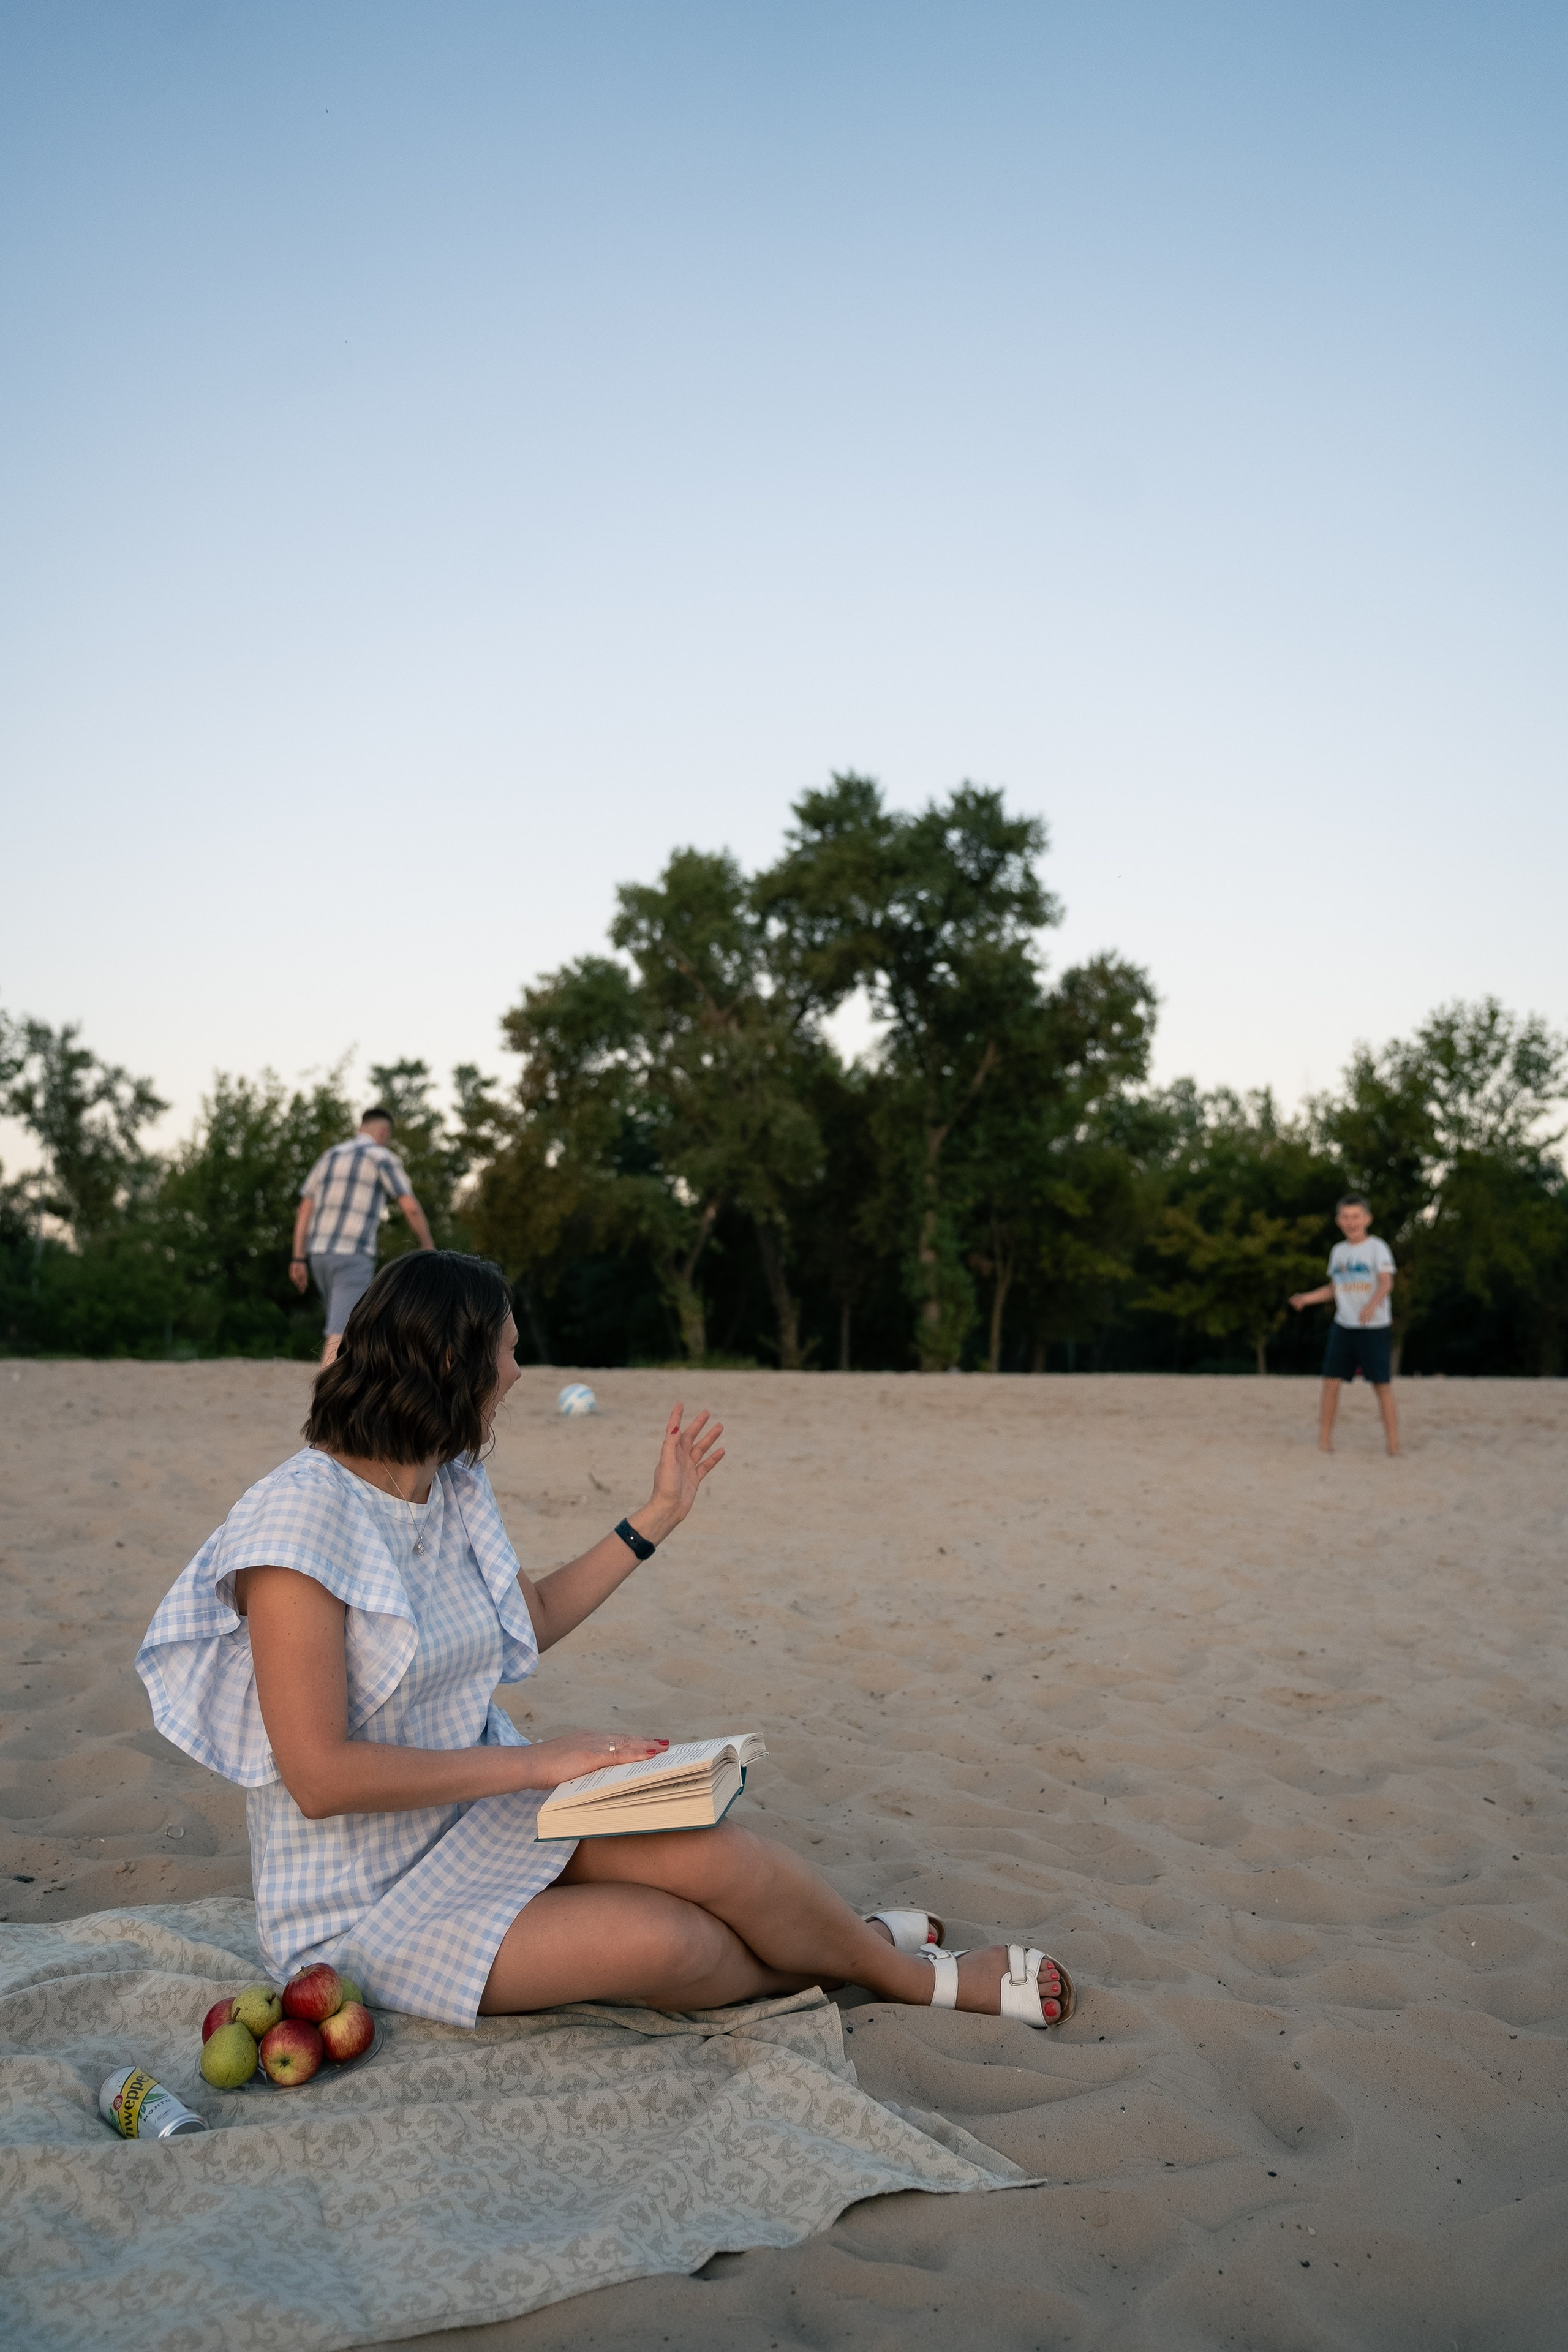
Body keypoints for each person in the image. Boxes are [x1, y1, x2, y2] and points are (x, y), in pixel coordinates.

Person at [136, 1251, 1076, 2035]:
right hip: (362, 1908)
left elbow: (529, 1618)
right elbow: (320, 1777)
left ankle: (880, 1959)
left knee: (720, 1858)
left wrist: (655, 1516)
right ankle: (859, 1959)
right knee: (674, 1941)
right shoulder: (295, 1524)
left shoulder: (448, 1481)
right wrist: (537, 1766)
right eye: (505, 1351)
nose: (517, 1372)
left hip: (475, 1820)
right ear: (454, 1364)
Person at [290, 1106, 434, 1364]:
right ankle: (328, 1401)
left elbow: (304, 1211)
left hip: (319, 1255)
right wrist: (428, 1248)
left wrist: (298, 1258)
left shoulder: (330, 1156)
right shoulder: (382, 1158)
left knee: (340, 1325)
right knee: (341, 1333)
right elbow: (410, 1208)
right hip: (352, 1254)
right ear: (383, 1131)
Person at [1289, 1193, 1400, 1457]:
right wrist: (1306, 1298)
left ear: (1367, 1219)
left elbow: (1387, 1282)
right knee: (1330, 1383)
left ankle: (1394, 1447)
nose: (1351, 1222)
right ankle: (1324, 1442)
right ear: (1339, 1221)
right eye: (1346, 1217)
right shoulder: (1338, 1251)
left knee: (1381, 1386)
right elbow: (1334, 1288)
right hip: (1344, 1326)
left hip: (1374, 1328)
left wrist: (1372, 1304)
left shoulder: (1377, 1248)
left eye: (1356, 1217)